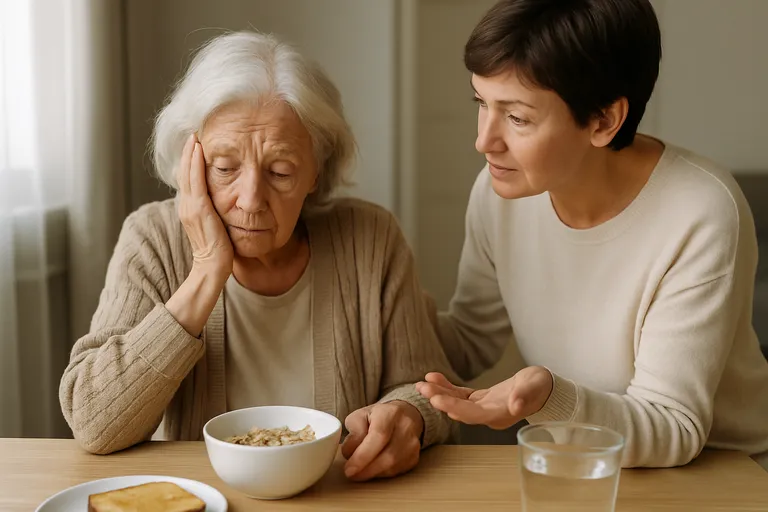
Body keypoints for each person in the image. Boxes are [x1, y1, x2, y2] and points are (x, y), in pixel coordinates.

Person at [59, 30, 455, 482]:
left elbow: (428, 389)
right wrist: (207, 270)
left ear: (315, 171)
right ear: (191, 162)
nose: (250, 199)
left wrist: (409, 415)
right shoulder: (152, 238)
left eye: (280, 171)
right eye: (225, 168)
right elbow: (93, 423)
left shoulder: (370, 238)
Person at [416, 0, 768, 469]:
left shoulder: (700, 212)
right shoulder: (499, 193)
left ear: (604, 120)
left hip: (720, 471)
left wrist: (549, 400)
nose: (484, 140)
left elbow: (674, 427)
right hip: (578, 466)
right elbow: (470, 338)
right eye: (482, 103)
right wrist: (376, 293)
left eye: (517, 117)